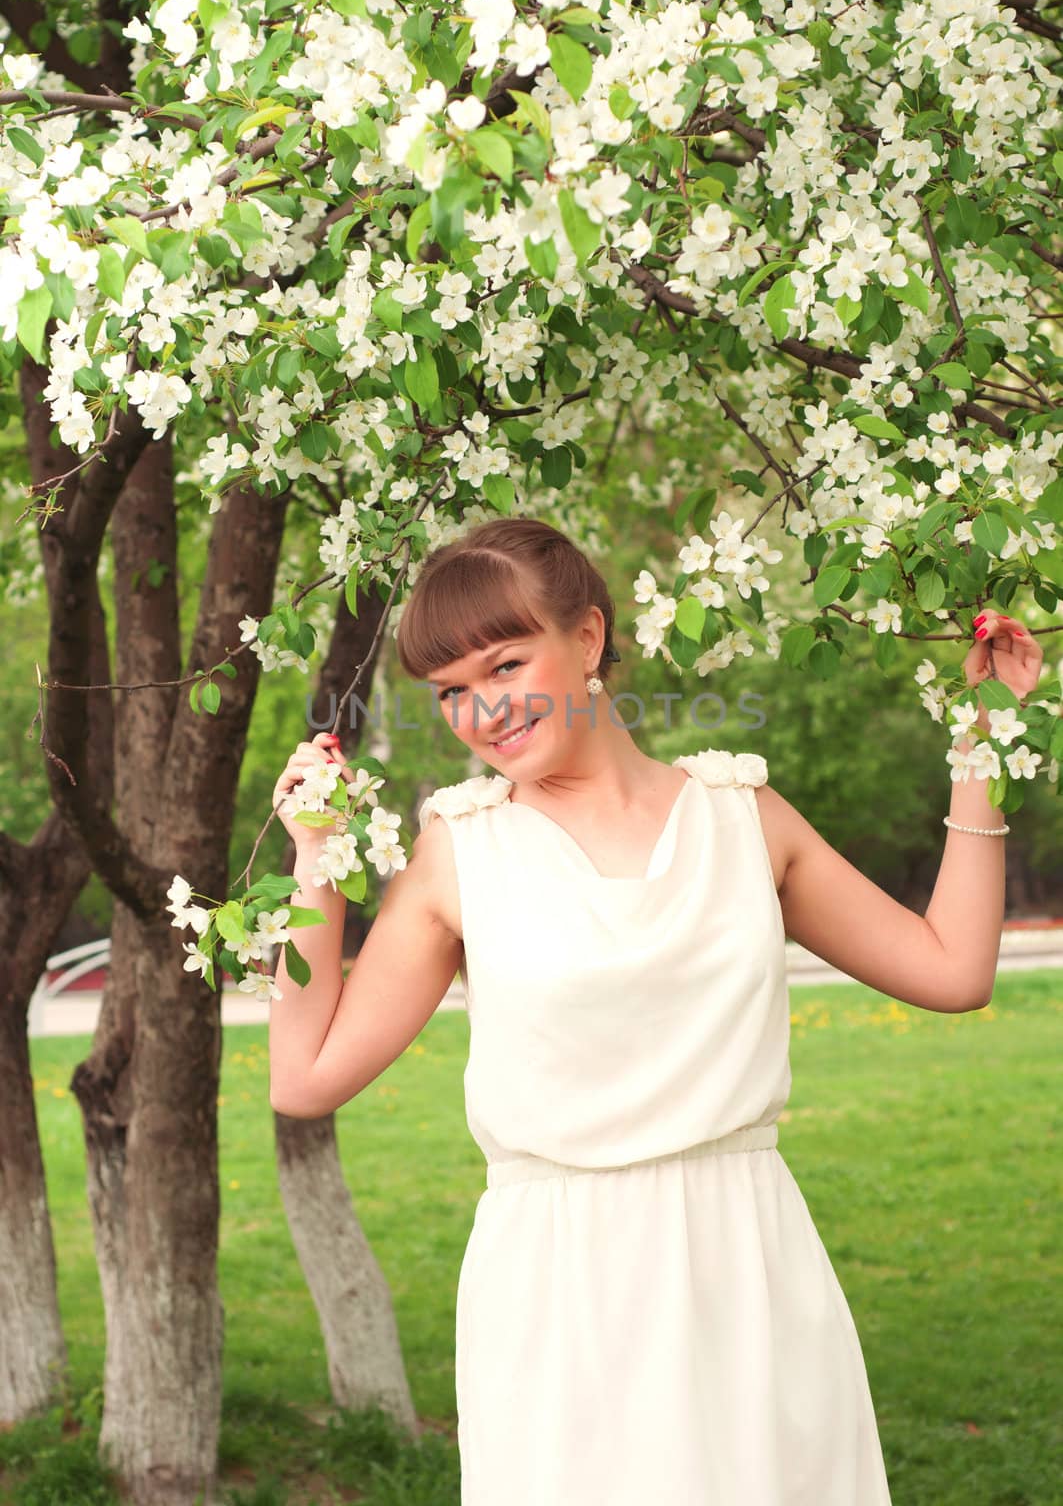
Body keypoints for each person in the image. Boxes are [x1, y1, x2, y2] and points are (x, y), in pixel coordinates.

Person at [267, 515, 1044, 1505]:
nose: (480, 711)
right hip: (557, 1293)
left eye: (505, 665)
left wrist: (982, 738)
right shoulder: (461, 855)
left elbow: (951, 970)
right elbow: (303, 1076)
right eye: (451, 691)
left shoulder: (741, 817)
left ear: (586, 639)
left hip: (747, 1271)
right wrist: (316, 861)